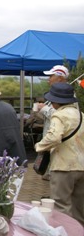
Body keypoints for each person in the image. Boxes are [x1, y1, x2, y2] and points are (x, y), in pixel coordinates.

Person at [35, 82, 84, 225]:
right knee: (79, 208)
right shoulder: (81, 115)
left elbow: (54, 137)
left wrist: (39, 146)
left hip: (63, 167)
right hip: (82, 166)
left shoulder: (59, 115)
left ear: (56, 101)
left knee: (61, 206)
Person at [37, 65, 69, 181]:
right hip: (52, 137)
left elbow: (64, 117)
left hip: (58, 140)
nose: (48, 79)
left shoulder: (68, 95)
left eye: (51, 76)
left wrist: (45, 109)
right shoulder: (56, 94)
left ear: (60, 78)